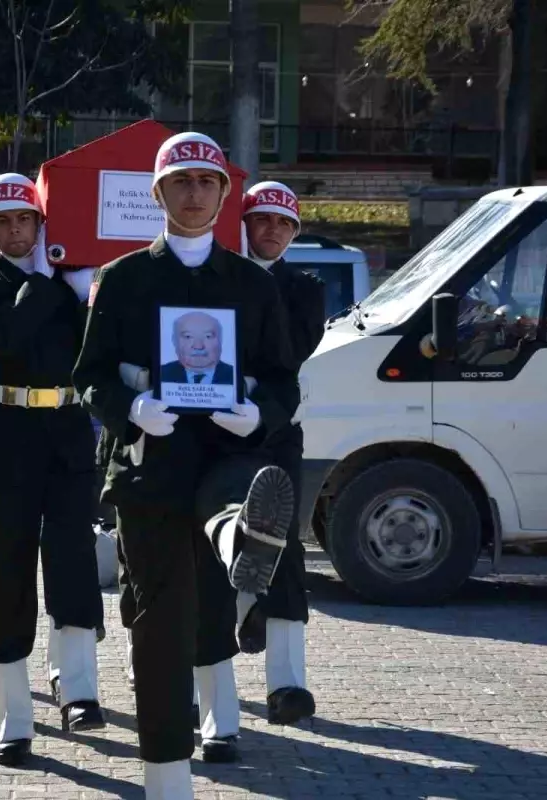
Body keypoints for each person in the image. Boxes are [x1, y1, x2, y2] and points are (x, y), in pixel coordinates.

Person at [74, 131, 299, 798]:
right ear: (159, 193)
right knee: (161, 629)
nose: (195, 193)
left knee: (232, 514)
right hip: (152, 470)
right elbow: (88, 375)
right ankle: (167, 779)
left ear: (225, 194)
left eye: (207, 182)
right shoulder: (123, 280)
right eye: (181, 182)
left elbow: (283, 381)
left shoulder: (251, 286)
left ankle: (240, 541)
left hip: (229, 458)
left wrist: (259, 416)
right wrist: (130, 407)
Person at [0, 172, 105, 767]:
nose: (15, 232)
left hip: (66, 434)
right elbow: (2, 339)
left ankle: (79, 687)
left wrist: (82, 287)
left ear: (42, 224)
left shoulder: (70, 282)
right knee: (8, 569)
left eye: (26, 221)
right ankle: (13, 714)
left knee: (73, 561)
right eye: (2, 223)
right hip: (5, 440)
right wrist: (46, 283)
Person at [236, 180, 327, 725]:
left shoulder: (304, 288)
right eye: (262, 220)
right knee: (216, 543)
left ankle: (288, 685)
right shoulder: (215, 277)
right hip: (212, 432)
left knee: (284, 548)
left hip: (274, 433)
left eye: (284, 223)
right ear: (243, 224)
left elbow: (288, 352)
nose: (272, 231)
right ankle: (230, 634)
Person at [160, 311, 235, 385]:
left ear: (220, 340)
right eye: (188, 336)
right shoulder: (162, 374)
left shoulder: (234, 376)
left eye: (208, 336)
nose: (198, 346)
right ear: (174, 340)